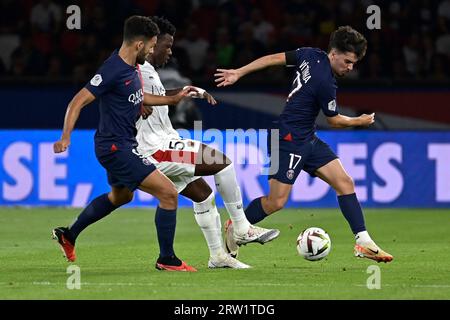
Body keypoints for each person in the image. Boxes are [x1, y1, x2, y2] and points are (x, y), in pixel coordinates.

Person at [215, 26, 393, 263]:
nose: (350, 67)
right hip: (287, 139)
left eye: (354, 63)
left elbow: (273, 59)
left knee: (345, 182)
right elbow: (335, 121)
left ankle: (363, 243)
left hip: (307, 137)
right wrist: (358, 121)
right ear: (334, 53)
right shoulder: (325, 82)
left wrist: (240, 72)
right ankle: (235, 226)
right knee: (276, 202)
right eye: (348, 61)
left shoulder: (310, 54)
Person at [52, 15, 197, 272]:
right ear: (139, 45)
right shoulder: (112, 70)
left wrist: (170, 101)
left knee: (121, 196)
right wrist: (66, 137)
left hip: (120, 144)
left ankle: (69, 234)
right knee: (168, 194)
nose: (154, 50)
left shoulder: (131, 69)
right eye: (152, 46)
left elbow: (137, 96)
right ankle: (167, 258)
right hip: (116, 148)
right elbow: (77, 101)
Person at [135, 16, 280, 269]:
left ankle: (218, 256)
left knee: (203, 195)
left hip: (165, 141)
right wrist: (137, 103)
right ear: (151, 42)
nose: (169, 52)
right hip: (155, 149)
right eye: (166, 46)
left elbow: (152, 96)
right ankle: (242, 227)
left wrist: (186, 90)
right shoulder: (133, 69)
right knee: (221, 163)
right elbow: (118, 91)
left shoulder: (149, 72)